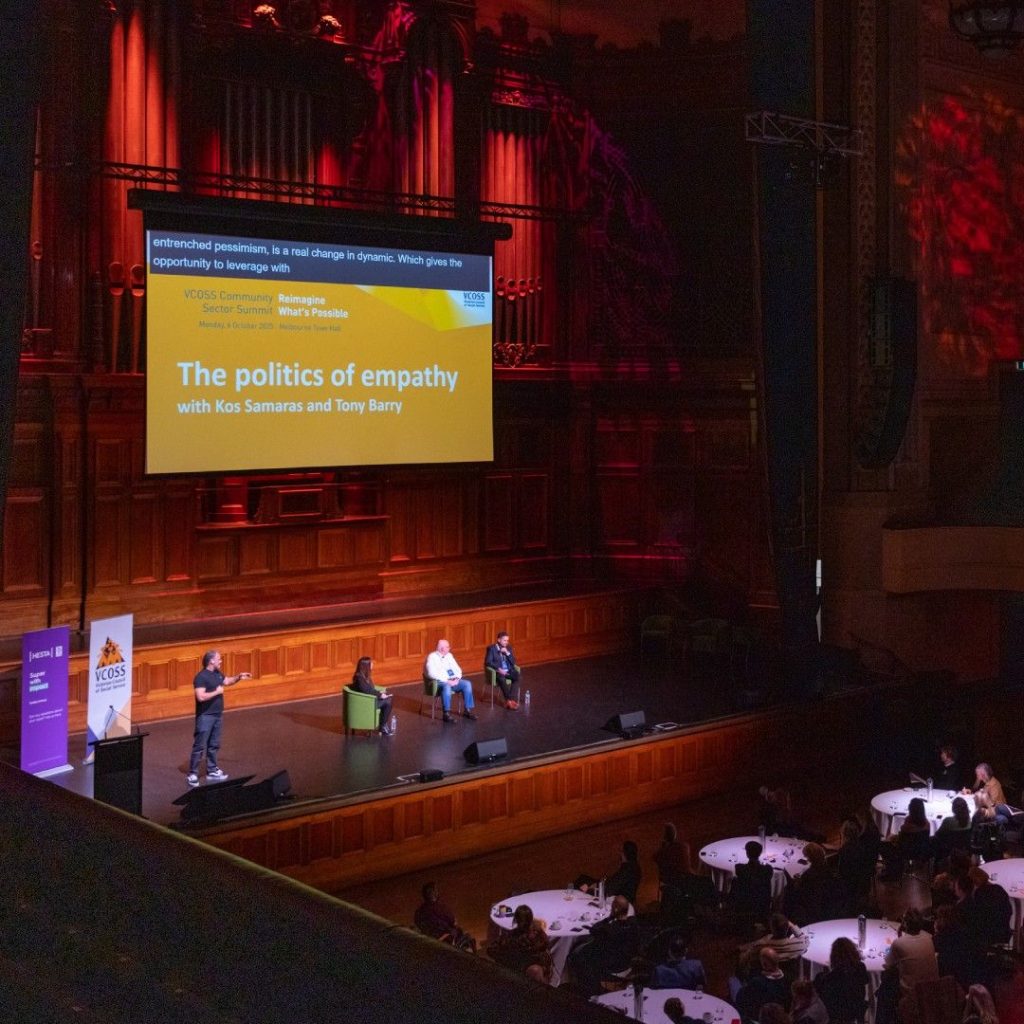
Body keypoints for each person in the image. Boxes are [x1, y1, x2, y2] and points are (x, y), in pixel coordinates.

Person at [187, 650, 250, 786]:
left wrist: (238, 677)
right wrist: (217, 691)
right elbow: (201, 696)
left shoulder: (217, 673)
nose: (221, 661)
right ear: (211, 661)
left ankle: (212, 770)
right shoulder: (201, 677)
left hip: (217, 715)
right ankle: (192, 773)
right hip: (205, 717)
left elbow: (226, 681)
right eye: (219, 659)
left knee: (214, 744)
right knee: (199, 746)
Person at [487, 904, 553, 983]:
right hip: (519, 967)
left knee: (534, 971)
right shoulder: (514, 936)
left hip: (528, 967)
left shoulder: (518, 936)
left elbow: (492, 949)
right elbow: (491, 949)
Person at [813, 936, 869, 1024]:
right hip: (854, 1011)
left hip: (835, 1016)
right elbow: (865, 983)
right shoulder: (861, 968)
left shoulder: (826, 979)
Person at [424, 639, 477, 724]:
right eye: (448, 647)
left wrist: (457, 678)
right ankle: (446, 713)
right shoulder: (431, 657)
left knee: (467, 684)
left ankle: (467, 710)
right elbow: (431, 673)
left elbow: (458, 669)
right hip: (438, 682)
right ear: (442, 648)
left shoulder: (449, 655)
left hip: (453, 680)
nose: (450, 648)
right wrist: (447, 680)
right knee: (447, 686)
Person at [413, 882, 476, 951]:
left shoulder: (419, 912)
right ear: (434, 893)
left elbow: (418, 924)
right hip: (444, 940)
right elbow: (453, 922)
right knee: (465, 935)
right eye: (436, 890)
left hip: (429, 941)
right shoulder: (440, 908)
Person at [735, 947, 790, 1021]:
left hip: (757, 1018)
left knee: (733, 981)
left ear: (764, 964)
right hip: (778, 1019)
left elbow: (742, 999)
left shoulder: (758, 983)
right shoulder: (788, 979)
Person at [732, 840, 774, 928]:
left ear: (747, 853)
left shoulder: (739, 868)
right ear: (760, 853)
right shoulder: (768, 869)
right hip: (762, 902)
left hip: (745, 901)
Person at [350, 656, 394, 736]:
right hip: (365, 703)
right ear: (366, 666)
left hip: (369, 700)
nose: (373, 664)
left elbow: (370, 689)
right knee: (388, 702)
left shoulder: (365, 676)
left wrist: (380, 692)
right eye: (371, 663)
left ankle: (382, 725)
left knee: (388, 698)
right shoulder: (359, 678)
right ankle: (382, 726)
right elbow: (367, 691)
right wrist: (380, 695)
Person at [484, 631, 521, 709]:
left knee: (518, 677)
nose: (506, 642)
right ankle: (511, 701)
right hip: (498, 672)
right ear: (499, 640)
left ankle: (509, 700)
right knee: (501, 678)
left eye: (507, 640)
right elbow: (488, 662)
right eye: (504, 640)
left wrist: (507, 653)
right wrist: (498, 669)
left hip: (508, 670)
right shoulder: (492, 649)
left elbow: (513, 662)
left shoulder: (509, 648)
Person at [653, 822, 692, 887]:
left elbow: (655, 858)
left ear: (664, 836)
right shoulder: (684, 846)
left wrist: (662, 848)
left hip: (668, 879)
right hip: (684, 877)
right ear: (675, 834)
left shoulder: (661, 852)